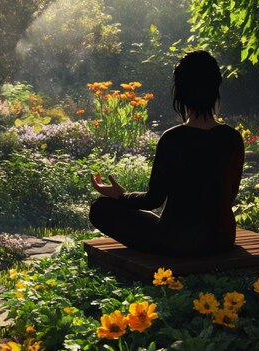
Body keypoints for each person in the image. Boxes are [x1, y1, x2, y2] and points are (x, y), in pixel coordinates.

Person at [89, 50, 245, 257]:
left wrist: (120, 195)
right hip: (221, 238)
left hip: (178, 242)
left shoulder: (174, 139)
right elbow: (229, 195)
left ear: (180, 92)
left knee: (100, 208)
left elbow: (154, 200)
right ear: (216, 88)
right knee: (156, 222)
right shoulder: (233, 138)